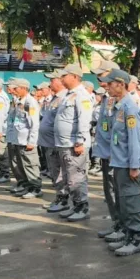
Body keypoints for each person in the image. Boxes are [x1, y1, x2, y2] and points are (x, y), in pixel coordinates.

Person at [99, 69, 140, 256]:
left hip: (128, 165)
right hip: (119, 162)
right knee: (123, 203)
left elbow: (135, 139)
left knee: (131, 202)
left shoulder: (129, 108)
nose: (107, 87)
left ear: (120, 84)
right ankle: (127, 235)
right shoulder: (118, 106)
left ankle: (135, 239)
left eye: (110, 84)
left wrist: (135, 166)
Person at [54, 64, 93, 222]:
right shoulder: (68, 94)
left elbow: (84, 119)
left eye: (64, 76)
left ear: (75, 77)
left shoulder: (82, 95)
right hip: (64, 143)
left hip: (74, 145)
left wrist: (79, 141)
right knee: (68, 178)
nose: (61, 79)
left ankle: (82, 207)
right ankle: (75, 205)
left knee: (76, 179)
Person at [90, 61, 122, 237]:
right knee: (110, 191)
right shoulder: (107, 97)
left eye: (101, 75)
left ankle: (123, 227)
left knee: (119, 192)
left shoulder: (122, 98)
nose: (99, 79)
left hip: (115, 155)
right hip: (105, 152)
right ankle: (116, 223)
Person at [7, 79, 42, 199]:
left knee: (30, 165)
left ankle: (36, 188)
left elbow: (34, 124)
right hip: (18, 139)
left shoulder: (30, 102)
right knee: (21, 165)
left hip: (26, 140)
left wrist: (32, 141)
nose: (14, 90)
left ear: (23, 88)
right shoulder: (19, 101)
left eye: (16, 88)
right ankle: (27, 186)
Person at [40, 71, 69, 211]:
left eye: (52, 80)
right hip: (49, 142)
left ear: (60, 81)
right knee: (54, 172)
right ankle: (59, 197)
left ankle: (63, 200)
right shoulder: (55, 98)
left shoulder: (64, 98)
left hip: (56, 142)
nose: (50, 83)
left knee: (59, 173)